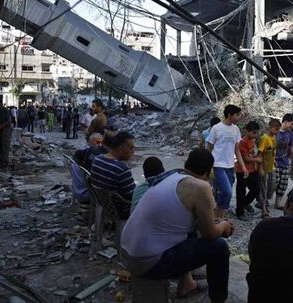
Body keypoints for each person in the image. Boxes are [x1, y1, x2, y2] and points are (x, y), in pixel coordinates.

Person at [121, 149, 233, 302]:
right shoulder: (201, 186)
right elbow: (210, 234)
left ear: (186, 164)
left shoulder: (172, 177)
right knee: (219, 248)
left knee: (191, 232)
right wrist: (224, 225)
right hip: (147, 262)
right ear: (208, 172)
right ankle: (218, 299)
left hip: (127, 252)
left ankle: (186, 284)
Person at [206, 104, 248, 219]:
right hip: (217, 164)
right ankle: (216, 216)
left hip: (230, 166)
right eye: (237, 115)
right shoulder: (216, 128)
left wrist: (243, 166)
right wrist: (206, 167)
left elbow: (237, 150)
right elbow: (208, 148)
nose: (239, 117)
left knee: (225, 194)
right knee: (227, 192)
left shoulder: (236, 129)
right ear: (229, 115)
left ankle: (219, 217)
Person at [90, 131, 135, 219]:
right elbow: (132, 196)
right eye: (131, 148)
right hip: (120, 210)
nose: (133, 151)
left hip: (103, 204)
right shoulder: (122, 169)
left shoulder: (97, 160)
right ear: (121, 148)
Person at [235, 121, 262, 220]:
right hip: (241, 170)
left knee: (256, 189)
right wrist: (257, 159)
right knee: (241, 191)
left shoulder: (252, 141)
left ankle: (244, 204)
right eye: (254, 132)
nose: (256, 134)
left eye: (256, 132)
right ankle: (239, 212)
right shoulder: (243, 142)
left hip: (252, 169)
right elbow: (245, 158)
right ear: (247, 131)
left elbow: (252, 154)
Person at [257, 118, 281, 216]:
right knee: (263, 187)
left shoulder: (274, 138)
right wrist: (260, 167)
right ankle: (263, 208)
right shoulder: (265, 138)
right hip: (265, 167)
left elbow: (273, 150)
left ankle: (264, 200)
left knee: (273, 184)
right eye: (276, 129)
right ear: (270, 128)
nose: (277, 131)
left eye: (278, 130)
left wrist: (274, 160)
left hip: (272, 166)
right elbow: (260, 153)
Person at [275, 113, 293, 209]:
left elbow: (292, 146)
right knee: (273, 182)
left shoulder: (290, 133)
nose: (292, 126)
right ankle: (263, 201)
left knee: (283, 183)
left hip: (285, 162)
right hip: (274, 162)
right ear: (285, 122)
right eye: (291, 124)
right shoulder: (275, 131)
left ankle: (278, 203)